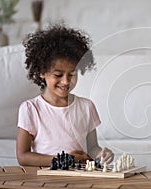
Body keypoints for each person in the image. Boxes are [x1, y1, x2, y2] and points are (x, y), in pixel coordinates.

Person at [16, 25, 114, 167]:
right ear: (42, 72)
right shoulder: (31, 109)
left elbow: (92, 148)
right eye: (58, 75)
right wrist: (64, 159)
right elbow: (23, 157)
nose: (66, 81)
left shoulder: (86, 107)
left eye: (72, 74)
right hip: (46, 178)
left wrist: (102, 154)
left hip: (80, 177)